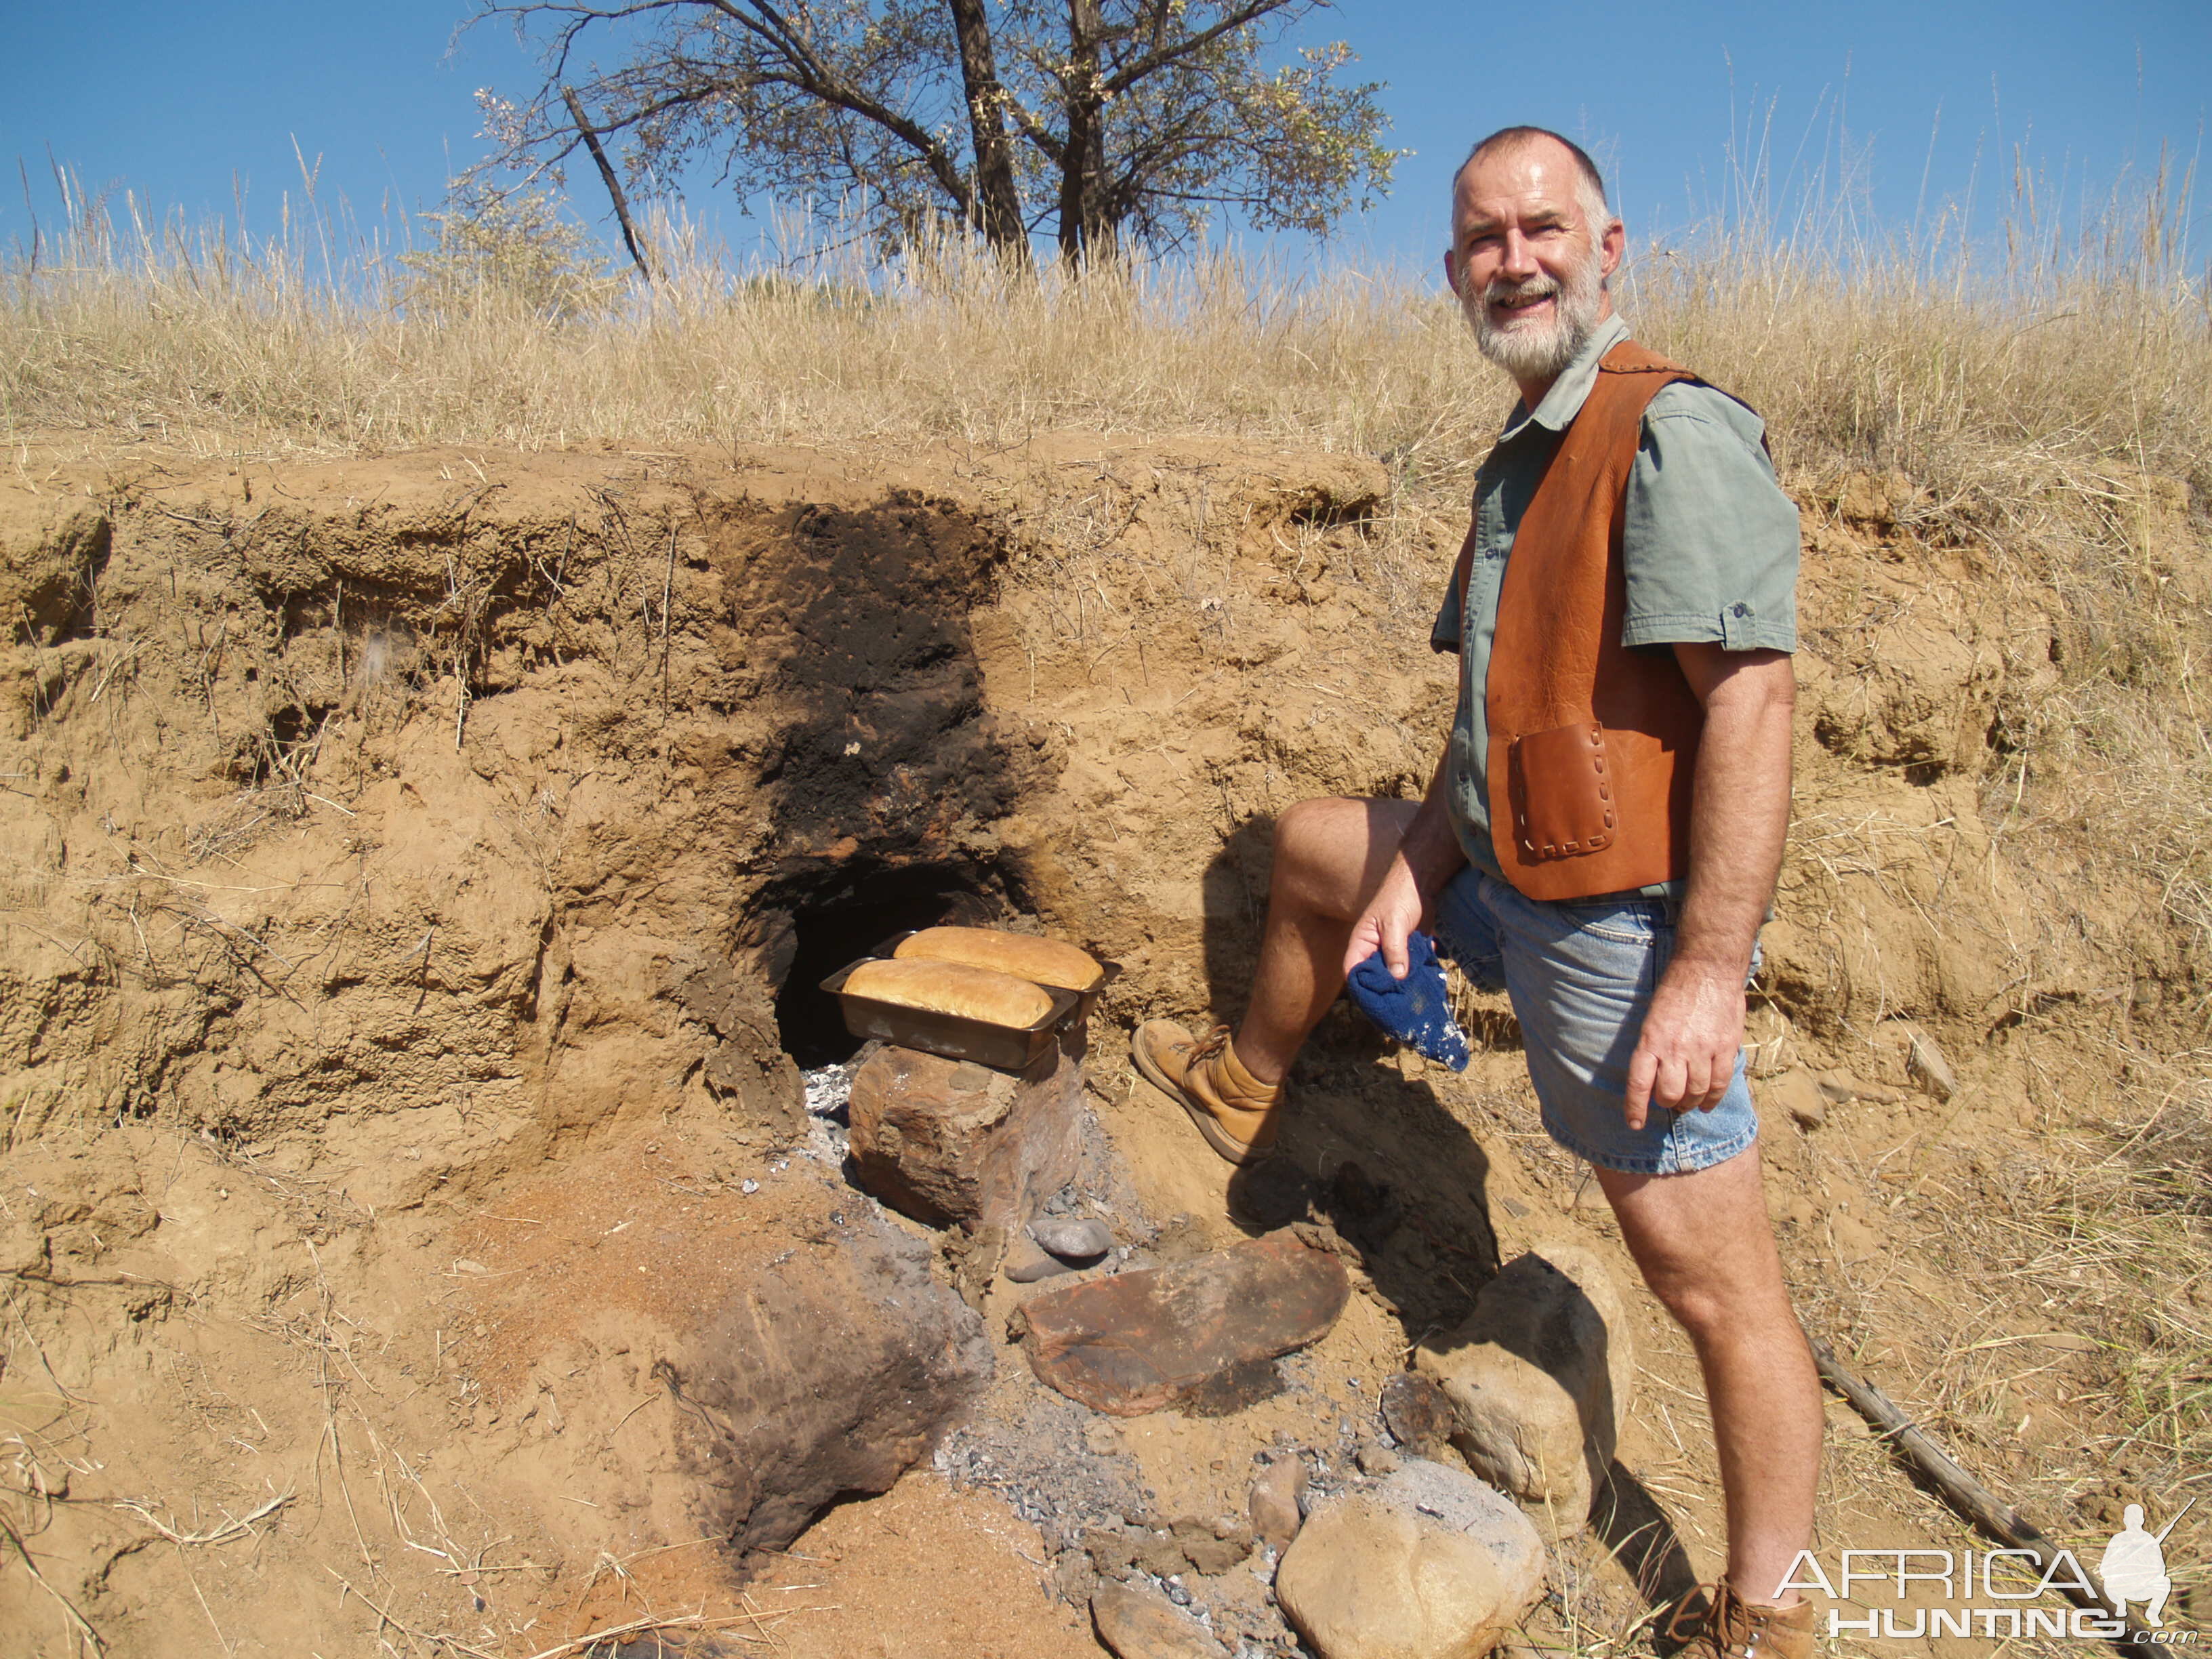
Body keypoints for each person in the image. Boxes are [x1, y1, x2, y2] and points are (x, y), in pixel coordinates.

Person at [1130, 125, 1822, 1659]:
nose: (1516, 258)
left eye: (1543, 227)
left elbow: (1753, 708)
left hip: (1627, 933)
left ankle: (1766, 1613)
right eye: (1486, 238)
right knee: (1320, 848)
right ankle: (1238, 1088)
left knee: (1712, 1286)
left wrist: (1707, 974)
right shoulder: (1526, 447)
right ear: (1454, 271)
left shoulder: (1667, 432)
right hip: (1504, 880)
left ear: (1609, 244)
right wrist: (1416, 881)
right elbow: (1486, 735)